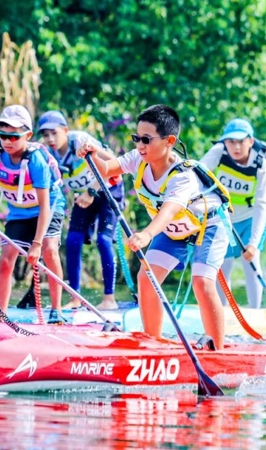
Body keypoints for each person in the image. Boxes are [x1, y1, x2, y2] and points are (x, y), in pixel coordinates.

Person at [79, 104, 231, 349]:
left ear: (169, 140)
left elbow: (169, 211)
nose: (140, 145)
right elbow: (106, 170)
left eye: (147, 140)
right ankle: (153, 344)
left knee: (202, 282)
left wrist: (146, 234)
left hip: (207, 227)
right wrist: (91, 154)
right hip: (173, 231)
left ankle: (219, 351)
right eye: (137, 138)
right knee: (147, 278)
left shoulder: (182, 176)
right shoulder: (137, 159)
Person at [37, 110, 125, 311]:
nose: (50, 139)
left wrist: (92, 190)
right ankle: (75, 298)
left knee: (103, 240)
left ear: (65, 131)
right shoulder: (46, 153)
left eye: (54, 133)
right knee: (73, 241)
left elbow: (114, 164)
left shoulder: (80, 141)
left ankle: (109, 299)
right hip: (85, 196)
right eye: (45, 134)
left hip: (108, 189)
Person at [0, 105, 68, 324]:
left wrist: (36, 243)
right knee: (6, 259)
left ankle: (56, 309)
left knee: (49, 250)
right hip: (19, 213)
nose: (7, 141)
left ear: (27, 136)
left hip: (48, 207)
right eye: (3, 135)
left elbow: (45, 206)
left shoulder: (36, 160)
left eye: (13, 137)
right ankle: (1, 315)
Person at [200, 118, 266, 309]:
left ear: (250, 141)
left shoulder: (260, 163)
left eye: (241, 141)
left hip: (251, 219)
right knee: (223, 265)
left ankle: (255, 312)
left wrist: (254, 244)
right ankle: (223, 314)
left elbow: (262, 204)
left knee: (251, 261)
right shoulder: (218, 152)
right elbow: (197, 174)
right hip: (224, 220)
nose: (236, 147)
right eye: (231, 141)